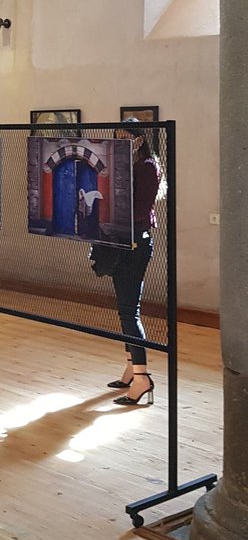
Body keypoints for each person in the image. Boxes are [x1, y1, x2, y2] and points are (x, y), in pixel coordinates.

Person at [107, 119, 163, 406]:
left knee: (130, 311)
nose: (120, 142)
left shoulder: (147, 167)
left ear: (139, 140)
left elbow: (139, 210)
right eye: (116, 138)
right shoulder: (124, 164)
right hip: (120, 241)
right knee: (124, 310)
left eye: (125, 137)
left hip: (135, 243)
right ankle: (132, 366)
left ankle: (142, 378)